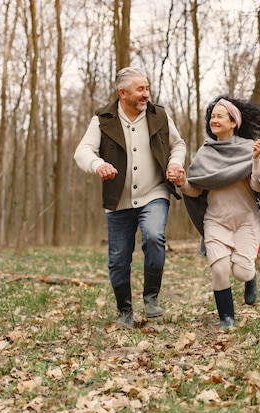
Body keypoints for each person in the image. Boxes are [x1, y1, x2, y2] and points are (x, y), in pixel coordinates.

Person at [74, 67, 187, 328]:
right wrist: (97, 164)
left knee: (154, 236)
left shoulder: (159, 115)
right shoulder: (103, 118)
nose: (146, 94)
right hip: (119, 200)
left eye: (147, 88)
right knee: (118, 258)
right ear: (122, 93)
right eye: (140, 89)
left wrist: (175, 163)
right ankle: (124, 310)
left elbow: (177, 144)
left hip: (155, 192)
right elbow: (82, 151)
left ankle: (151, 297)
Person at [167, 96, 260, 329]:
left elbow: (258, 187)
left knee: (241, 272)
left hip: (246, 221)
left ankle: (251, 278)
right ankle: (226, 318)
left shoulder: (249, 148)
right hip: (216, 220)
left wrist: (256, 160)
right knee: (219, 270)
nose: (214, 120)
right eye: (212, 117)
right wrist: (182, 182)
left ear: (233, 122)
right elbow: (196, 190)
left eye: (220, 116)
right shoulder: (205, 153)